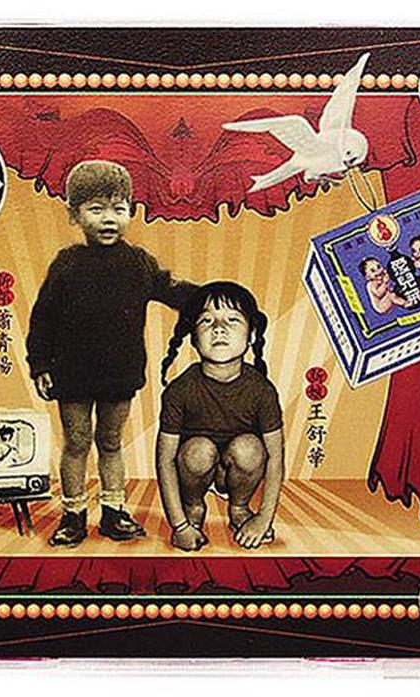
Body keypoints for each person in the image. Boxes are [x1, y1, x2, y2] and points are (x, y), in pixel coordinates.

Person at [26, 160, 196, 547]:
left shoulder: (138, 262)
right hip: (72, 373)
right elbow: (43, 318)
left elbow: (172, 290)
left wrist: (212, 296)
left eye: (119, 209)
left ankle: (114, 512)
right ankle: (73, 515)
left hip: (120, 372)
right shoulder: (67, 264)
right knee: (77, 442)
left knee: (111, 441)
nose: (108, 219)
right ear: (74, 214)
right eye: (96, 209)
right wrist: (40, 364)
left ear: (130, 211)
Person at [156, 282, 285, 552]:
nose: (219, 328)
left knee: (250, 447)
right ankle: (193, 506)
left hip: (236, 471)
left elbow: (275, 457)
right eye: (206, 320)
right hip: (194, 470)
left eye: (232, 320)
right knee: (199, 450)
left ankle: (239, 508)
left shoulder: (262, 390)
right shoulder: (180, 390)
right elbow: (165, 460)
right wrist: (179, 526)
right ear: (193, 337)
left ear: (251, 334)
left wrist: (264, 519)